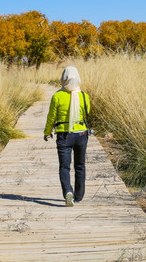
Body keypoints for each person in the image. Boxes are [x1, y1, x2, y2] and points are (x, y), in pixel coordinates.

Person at [44, 66, 90, 207]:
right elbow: (87, 111)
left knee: (64, 167)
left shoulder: (57, 96)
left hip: (64, 135)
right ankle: (79, 195)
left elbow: (51, 117)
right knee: (80, 166)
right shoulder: (84, 96)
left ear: (63, 78)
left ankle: (68, 192)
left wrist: (47, 132)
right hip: (81, 134)